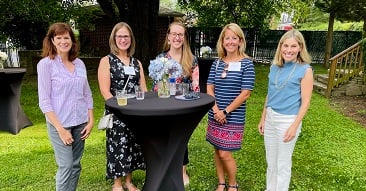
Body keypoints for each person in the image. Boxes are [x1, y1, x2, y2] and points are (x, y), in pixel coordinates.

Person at [37, 22, 94, 191]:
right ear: (52, 41)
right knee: (66, 165)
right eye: (59, 38)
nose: (63, 41)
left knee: (76, 165)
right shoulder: (46, 65)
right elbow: (44, 101)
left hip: (80, 123)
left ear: (72, 40)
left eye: (66, 37)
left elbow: (87, 95)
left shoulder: (80, 64)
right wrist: (61, 130)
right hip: (59, 124)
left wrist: (90, 120)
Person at [258, 29, 313, 191]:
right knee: (271, 161)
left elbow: (306, 101)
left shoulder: (305, 70)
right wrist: (263, 118)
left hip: (288, 120)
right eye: (285, 45)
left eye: (293, 46)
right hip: (270, 119)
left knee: (283, 163)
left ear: (300, 48)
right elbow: (270, 95)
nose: (289, 50)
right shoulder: (274, 67)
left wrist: (294, 126)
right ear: (280, 47)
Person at [149, 20, 199, 186]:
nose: (177, 37)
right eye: (174, 34)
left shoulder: (191, 60)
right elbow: (155, 86)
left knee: (181, 139)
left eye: (181, 34)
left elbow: (196, 88)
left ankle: (182, 170)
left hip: (184, 108)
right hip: (164, 107)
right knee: (165, 139)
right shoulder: (160, 59)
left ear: (184, 38)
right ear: (168, 37)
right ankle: (165, 169)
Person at [98, 22, 147, 191]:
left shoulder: (136, 63)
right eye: (120, 36)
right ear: (114, 39)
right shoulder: (107, 61)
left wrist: (142, 107)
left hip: (135, 112)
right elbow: (105, 91)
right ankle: (117, 184)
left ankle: (129, 182)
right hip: (117, 111)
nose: (123, 40)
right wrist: (119, 109)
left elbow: (143, 89)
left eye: (126, 36)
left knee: (132, 145)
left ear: (131, 39)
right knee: (117, 145)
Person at [206, 23, 255, 191]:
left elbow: (245, 93)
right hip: (215, 113)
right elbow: (209, 87)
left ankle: (233, 184)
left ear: (240, 41)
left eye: (234, 38)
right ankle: (221, 183)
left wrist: (225, 111)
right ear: (222, 41)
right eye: (227, 38)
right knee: (217, 151)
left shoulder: (247, 64)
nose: (231, 41)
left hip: (233, 116)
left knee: (225, 153)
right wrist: (216, 111)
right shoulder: (217, 63)